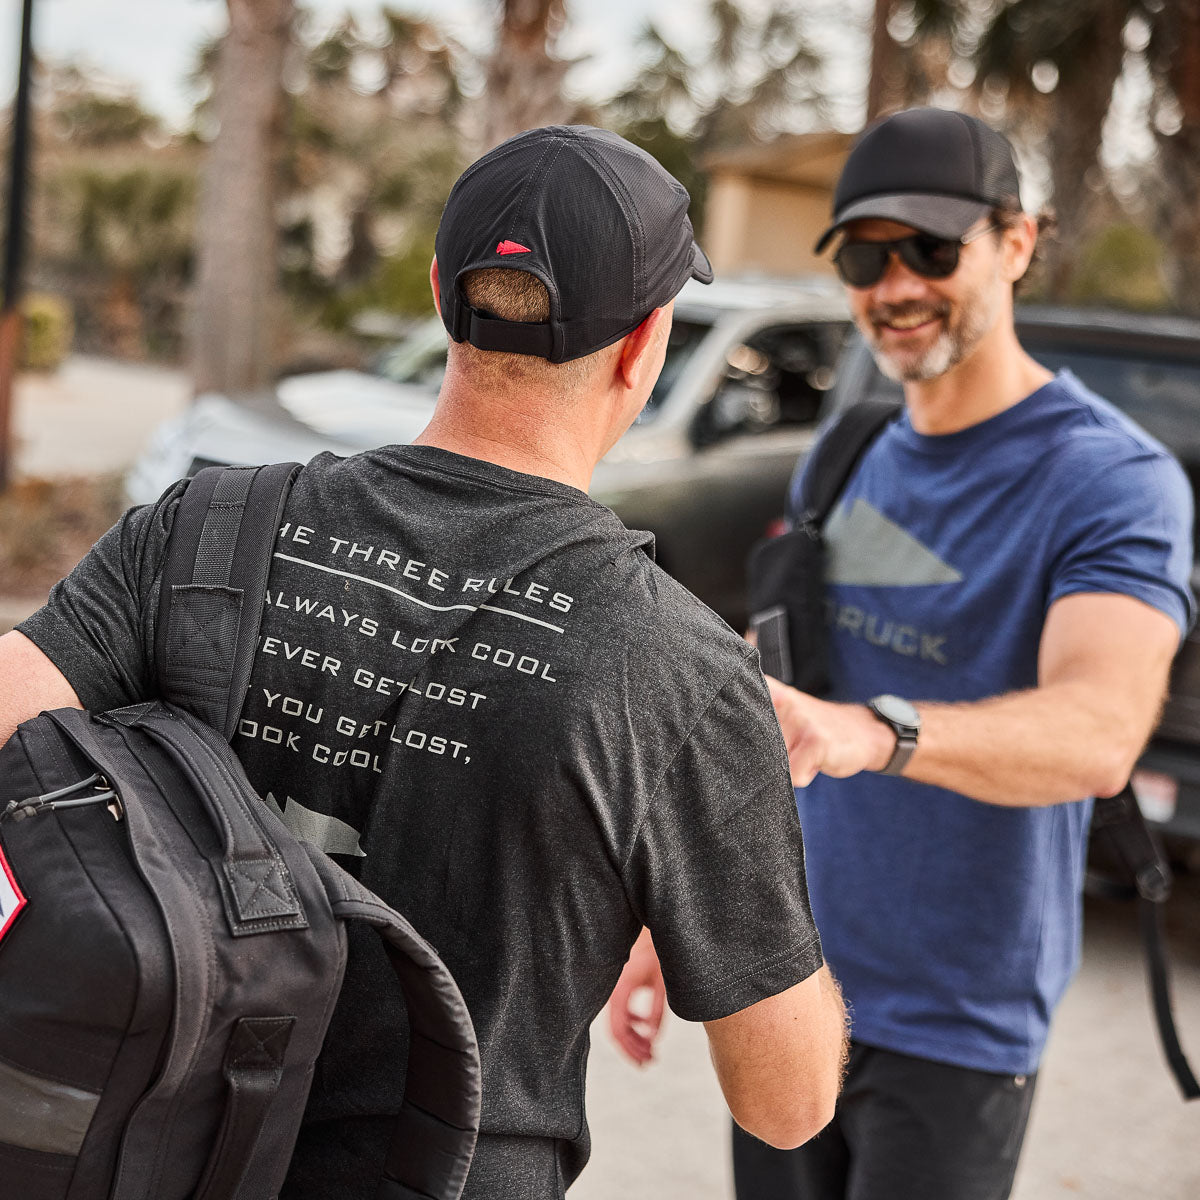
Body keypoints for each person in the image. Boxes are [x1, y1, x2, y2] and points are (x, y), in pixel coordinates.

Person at [0, 125, 848, 1199]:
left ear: (446, 296)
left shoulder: (198, 531)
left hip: (153, 1160)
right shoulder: (678, 670)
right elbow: (790, 1102)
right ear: (643, 349)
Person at [607, 107, 1194, 1200]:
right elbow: (778, 689)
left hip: (956, 1022)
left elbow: (1103, 731)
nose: (897, 283)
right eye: (867, 256)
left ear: (1019, 241)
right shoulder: (852, 442)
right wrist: (669, 906)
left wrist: (873, 731)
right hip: (788, 984)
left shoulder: (1113, 481)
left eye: (932, 247)